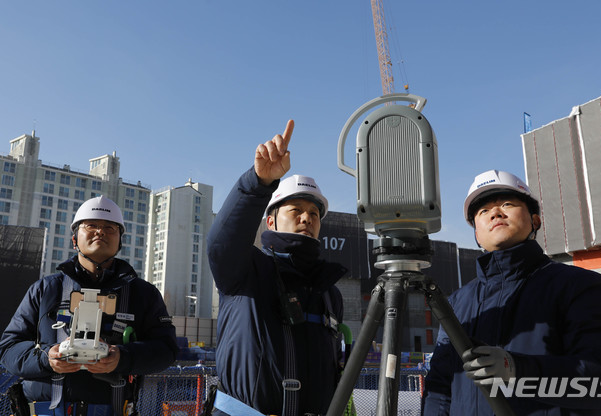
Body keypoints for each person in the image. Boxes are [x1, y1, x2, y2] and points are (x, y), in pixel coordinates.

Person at [422, 170, 601, 416]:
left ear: (535, 221)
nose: (495, 212)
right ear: (476, 235)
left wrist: (517, 370)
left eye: (507, 204)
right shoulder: (457, 304)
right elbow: (439, 388)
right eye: (483, 211)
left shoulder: (582, 287)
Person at [206, 120, 347, 415]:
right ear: (271, 221)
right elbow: (221, 243)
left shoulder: (328, 293)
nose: (307, 218)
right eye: (296, 210)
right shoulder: (246, 270)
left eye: (313, 213)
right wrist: (257, 183)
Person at [0, 196, 178, 415]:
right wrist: (47, 358)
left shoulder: (143, 294)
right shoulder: (46, 290)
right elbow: (8, 349)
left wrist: (122, 357)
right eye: (91, 225)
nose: (100, 232)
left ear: (120, 241)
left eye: (109, 228)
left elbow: (166, 350)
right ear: (75, 239)